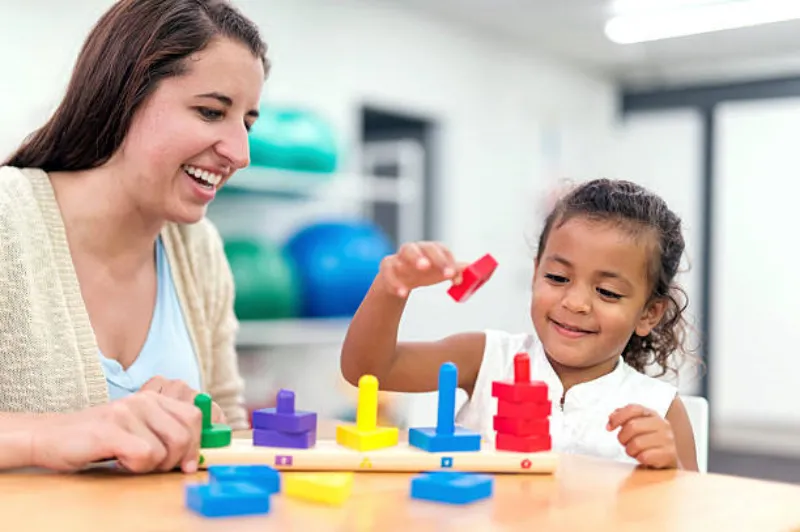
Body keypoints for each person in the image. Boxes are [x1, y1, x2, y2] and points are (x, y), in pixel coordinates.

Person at [0, 0, 268, 472]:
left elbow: (233, 430)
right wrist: (52, 434)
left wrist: (203, 427)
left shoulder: (199, 251)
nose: (240, 153)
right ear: (125, 95)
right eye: (210, 112)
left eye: (246, 123)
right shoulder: (7, 219)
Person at [341, 179, 700, 471]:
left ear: (648, 314)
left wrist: (670, 469)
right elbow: (369, 370)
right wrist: (392, 288)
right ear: (535, 274)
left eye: (607, 291)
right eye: (558, 278)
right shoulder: (484, 358)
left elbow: (694, 514)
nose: (574, 302)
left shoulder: (661, 408)